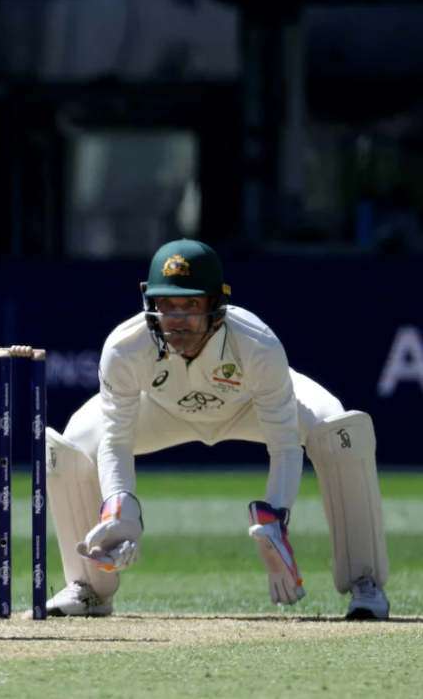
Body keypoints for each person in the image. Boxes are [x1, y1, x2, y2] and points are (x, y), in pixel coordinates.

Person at [44, 239, 390, 620]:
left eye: (191, 304)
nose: (177, 319)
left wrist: (275, 518)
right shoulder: (124, 348)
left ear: (217, 306)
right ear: (149, 302)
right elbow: (117, 441)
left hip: (248, 408)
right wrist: (119, 510)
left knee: (339, 430)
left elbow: (285, 446)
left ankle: (365, 582)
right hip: (162, 413)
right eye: (167, 305)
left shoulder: (256, 343)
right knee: (73, 441)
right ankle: (90, 587)